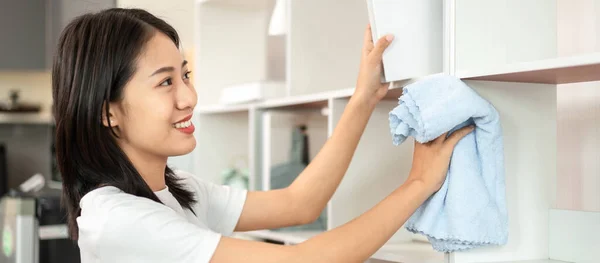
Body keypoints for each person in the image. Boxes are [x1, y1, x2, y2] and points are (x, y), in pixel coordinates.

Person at [52, 8, 474, 263]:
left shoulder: (173, 191)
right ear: (108, 112)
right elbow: (304, 261)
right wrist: (419, 183)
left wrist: (362, 99)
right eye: (166, 83)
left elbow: (300, 203)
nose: (189, 97)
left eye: (186, 75)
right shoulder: (117, 217)